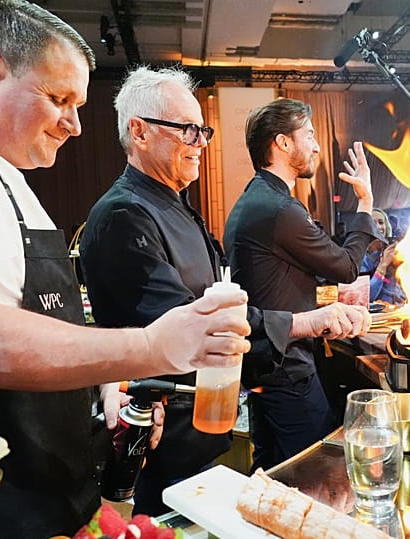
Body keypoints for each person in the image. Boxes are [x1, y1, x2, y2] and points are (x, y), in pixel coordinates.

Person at [0, 3, 250, 537]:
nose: (76, 125)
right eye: (59, 100)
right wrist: (150, 347)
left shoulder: (4, 174)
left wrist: (104, 388)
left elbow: (36, 316)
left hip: (45, 492)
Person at [79, 67, 372, 515]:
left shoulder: (177, 206)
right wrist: (302, 322)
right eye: (188, 131)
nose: (200, 142)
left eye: (203, 130)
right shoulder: (126, 215)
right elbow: (191, 324)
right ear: (138, 131)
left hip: (200, 429)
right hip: (160, 434)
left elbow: (225, 300)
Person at [223, 98, 381, 471]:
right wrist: (366, 202)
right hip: (287, 369)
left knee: (272, 474)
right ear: (282, 143)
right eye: (308, 135)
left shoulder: (254, 200)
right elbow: (344, 265)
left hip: (266, 366)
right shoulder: (279, 209)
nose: (316, 145)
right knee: (318, 476)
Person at [361, 208, 406, 305]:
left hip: (401, 306)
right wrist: (383, 265)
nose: (378, 226)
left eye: (381, 222)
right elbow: (368, 296)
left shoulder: (392, 249)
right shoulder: (362, 257)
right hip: (380, 312)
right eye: (372, 223)